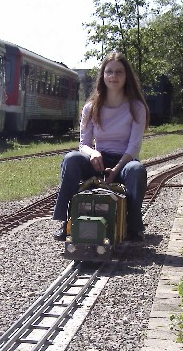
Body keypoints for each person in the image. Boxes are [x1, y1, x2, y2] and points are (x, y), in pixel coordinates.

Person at [52, 51, 150, 241]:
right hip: (97, 159)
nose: (114, 76)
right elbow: (83, 144)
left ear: (126, 76)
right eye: (109, 72)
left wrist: (115, 170)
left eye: (119, 72)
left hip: (124, 162)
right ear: (103, 75)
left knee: (137, 170)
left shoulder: (137, 107)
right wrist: (93, 153)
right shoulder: (91, 107)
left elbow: (134, 147)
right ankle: (67, 222)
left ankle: (134, 226)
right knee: (71, 159)